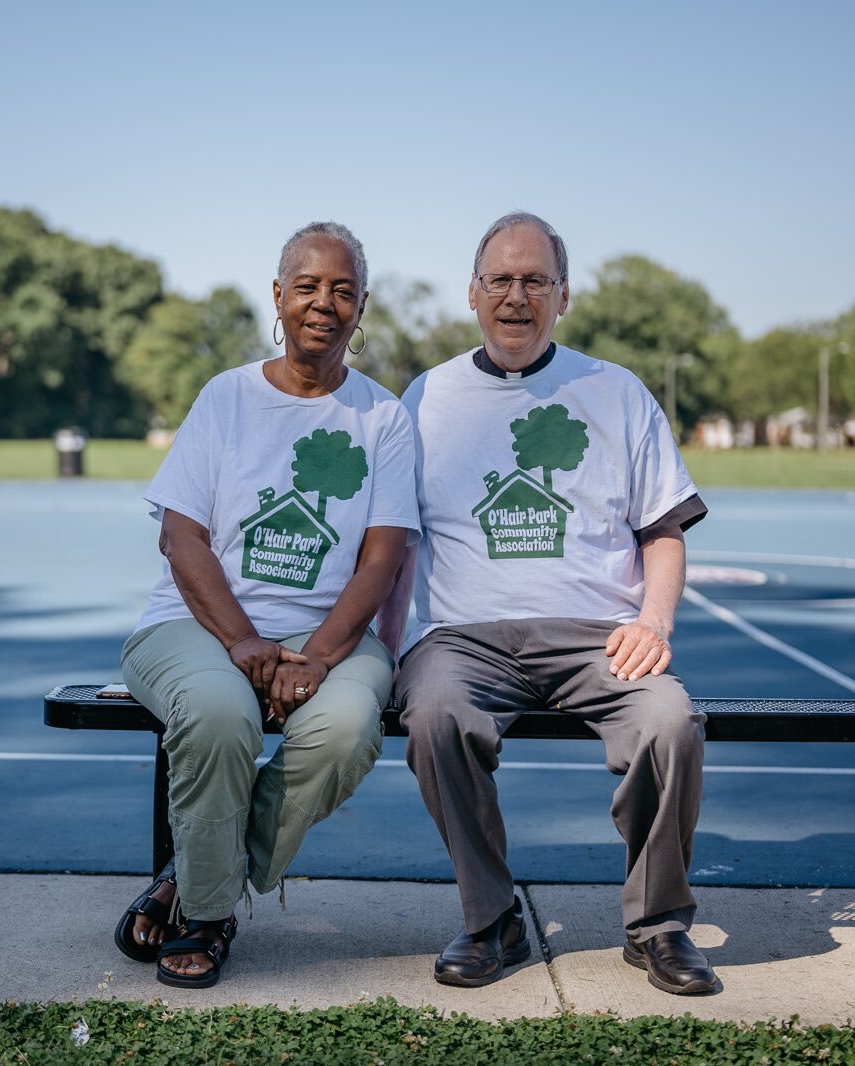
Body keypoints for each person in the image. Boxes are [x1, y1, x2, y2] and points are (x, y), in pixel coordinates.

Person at [377, 211, 718, 995]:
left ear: (563, 296)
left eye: (535, 280)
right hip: (461, 637)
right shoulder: (425, 397)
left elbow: (663, 532)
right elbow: (396, 544)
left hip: (597, 636)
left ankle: (657, 925)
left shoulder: (616, 391)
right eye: (500, 278)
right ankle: (490, 918)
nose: (516, 295)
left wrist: (652, 621)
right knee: (432, 715)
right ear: (472, 292)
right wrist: (383, 650)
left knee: (669, 721)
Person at [116, 221, 419, 989]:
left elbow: (381, 559)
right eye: (308, 286)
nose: (325, 303)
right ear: (278, 297)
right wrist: (245, 644)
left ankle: (191, 873)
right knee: (220, 712)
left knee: (349, 727)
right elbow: (181, 542)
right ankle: (210, 915)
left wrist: (317, 656)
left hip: (329, 633)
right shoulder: (227, 398)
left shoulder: (383, 418)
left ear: (362, 309)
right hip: (197, 626)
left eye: (343, 290)